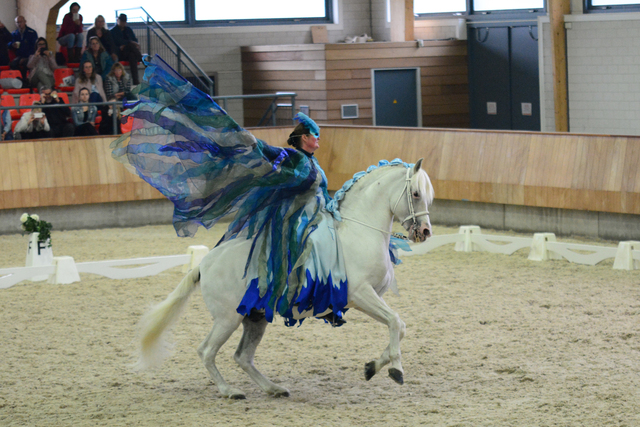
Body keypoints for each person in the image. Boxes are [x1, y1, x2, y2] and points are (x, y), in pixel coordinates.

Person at [112, 55, 348, 327]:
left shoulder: (313, 163)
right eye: (314, 135)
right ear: (304, 138)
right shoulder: (293, 157)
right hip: (292, 218)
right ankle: (300, 296)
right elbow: (269, 153)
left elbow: (321, 194)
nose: (318, 139)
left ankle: (329, 296)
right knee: (313, 244)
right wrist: (251, 141)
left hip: (316, 214)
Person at [110, 13, 142, 85]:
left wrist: (128, 44)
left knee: (132, 55)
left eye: (124, 21)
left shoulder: (128, 30)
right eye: (121, 21)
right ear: (118, 20)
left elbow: (135, 40)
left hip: (129, 52)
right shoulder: (112, 31)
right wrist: (129, 43)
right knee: (130, 45)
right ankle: (141, 58)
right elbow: (116, 42)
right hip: (120, 53)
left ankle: (135, 81)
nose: (123, 23)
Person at [9, 16, 38, 83]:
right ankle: (19, 79)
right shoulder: (14, 33)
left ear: (25, 22)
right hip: (19, 56)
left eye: (21, 22)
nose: (19, 24)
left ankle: (26, 80)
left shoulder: (32, 33)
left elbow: (34, 47)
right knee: (13, 64)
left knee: (26, 63)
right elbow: (8, 43)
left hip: (30, 55)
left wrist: (26, 57)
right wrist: (12, 44)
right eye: (17, 22)